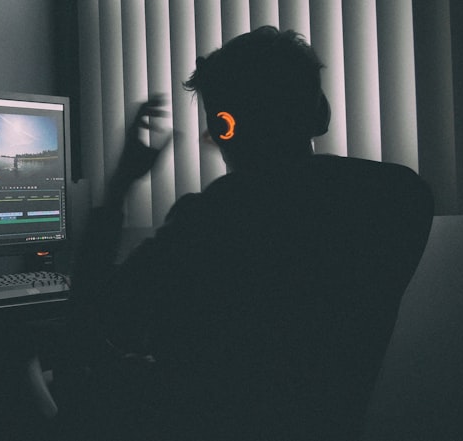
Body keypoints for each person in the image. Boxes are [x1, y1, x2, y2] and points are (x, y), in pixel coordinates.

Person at [59, 26, 434, 440]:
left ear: (223, 128)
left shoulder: (211, 219)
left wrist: (119, 186)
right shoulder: (400, 197)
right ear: (321, 113)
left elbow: (94, 316)